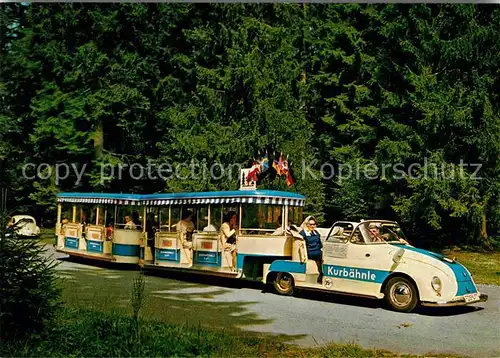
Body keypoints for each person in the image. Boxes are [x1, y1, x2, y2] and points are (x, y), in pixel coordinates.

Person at [299, 216, 323, 283]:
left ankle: (321, 274)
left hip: (317, 250)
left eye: (314, 224)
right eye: (311, 224)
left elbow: (320, 243)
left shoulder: (316, 232)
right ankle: (320, 275)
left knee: (325, 257)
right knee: (319, 257)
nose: (312, 226)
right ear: (307, 225)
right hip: (309, 252)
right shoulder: (303, 233)